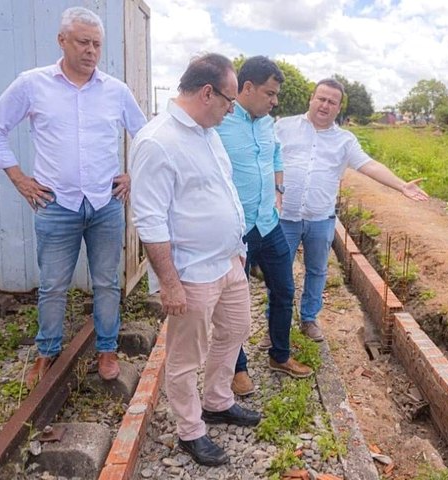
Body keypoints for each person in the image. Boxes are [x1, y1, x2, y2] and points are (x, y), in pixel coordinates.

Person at [0, 7, 146, 386]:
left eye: (97, 45)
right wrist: (19, 178)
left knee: (107, 282)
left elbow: (146, 136)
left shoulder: (115, 91)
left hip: (105, 205)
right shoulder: (32, 84)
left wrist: (134, 174)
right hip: (57, 205)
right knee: (53, 284)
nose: (91, 51)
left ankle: (106, 350)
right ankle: (47, 353)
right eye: (83, 42)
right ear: (62, 41)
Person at [130, 53, 261, 467]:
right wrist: (169, 283)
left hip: (227, 262)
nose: (231, 109)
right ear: (208, 93)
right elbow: (149, 219)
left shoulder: (209, 132)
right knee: (186, 356)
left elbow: (219, 191)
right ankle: (190, 429)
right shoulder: (157, 141)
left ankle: (218, 401)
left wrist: (237, 250)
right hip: (191, 272)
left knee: (235, 330)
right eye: (228, 100)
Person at [275, 79, 428, 341]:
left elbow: (369, 165)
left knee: (317, 270)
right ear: (311, 99)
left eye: (331, 102)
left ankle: (309, 319)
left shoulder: (344, 140)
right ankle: (275, 322)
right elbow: (263, 159)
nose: (324, 105)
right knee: (278, 272)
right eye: (321, 98)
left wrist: (401, 185)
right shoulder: (283, 127)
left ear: (338, 107)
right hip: (283, 217)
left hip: (320, 219)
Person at [216, 56, 313, 396]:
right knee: (232, 305)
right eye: (270, 94)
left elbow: (275, 157)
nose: (275, 101)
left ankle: (280, 355)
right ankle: (236, 368)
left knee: (285, 290)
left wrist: (279, 190)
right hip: (235, 230)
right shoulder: (220, 122)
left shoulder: (267, 123)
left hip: (268, 223)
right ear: (247, 88)